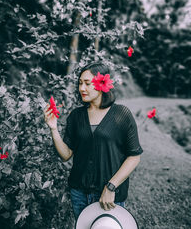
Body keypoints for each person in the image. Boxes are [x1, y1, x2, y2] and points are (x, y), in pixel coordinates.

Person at [44, 62, 143, 222]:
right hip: (79, 193)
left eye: (87, 83)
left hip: (110, 195)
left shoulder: (121, 114)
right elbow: (66, 155)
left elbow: (134, 156)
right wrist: (53, 129)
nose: (82, 88)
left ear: (102, 84)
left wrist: (111, 187)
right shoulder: (76, 116)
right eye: (80, 83)